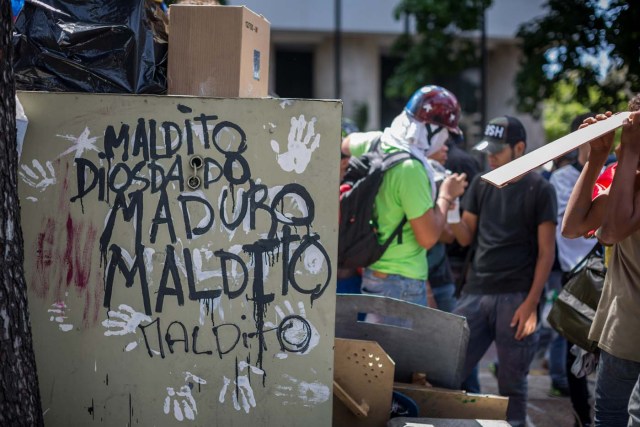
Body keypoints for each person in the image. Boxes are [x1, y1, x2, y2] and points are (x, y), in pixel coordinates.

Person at [450, 115, 557, 427]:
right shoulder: (482, 184)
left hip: (517, 296)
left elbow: (547, 252)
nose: (491, 156)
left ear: (520, 148)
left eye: (498, 149)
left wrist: (532, 304)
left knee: (512, 387)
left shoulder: (540, 188)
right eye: (488, 149)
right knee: (447, 370)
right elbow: (465, 236)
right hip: (475, 292)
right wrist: (451, 203)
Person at [341, 85, 467, 324]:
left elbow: (346, 143)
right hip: (402, 283)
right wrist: (446, 195)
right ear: (430, 130)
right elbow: (428, 237)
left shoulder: (378, 142)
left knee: (379, 357)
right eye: (444, 133)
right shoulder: (411, 169)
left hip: (373, 274)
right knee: (400, 360)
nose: (444, 141)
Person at [562, 102, 640, 427]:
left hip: (628, 327)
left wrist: (629, 154)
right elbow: (572, 227)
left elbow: (612, 230)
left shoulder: (630, 171)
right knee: (607, 418)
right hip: (621, 329)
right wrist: (596, 156)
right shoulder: (623, 175)